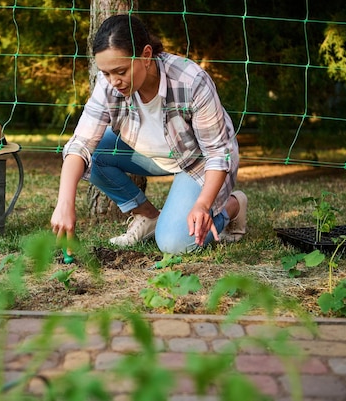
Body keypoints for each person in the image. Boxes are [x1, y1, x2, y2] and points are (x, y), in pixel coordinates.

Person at [50, 14, 247, 255]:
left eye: (120, 71)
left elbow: (217, 154)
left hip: (200, 162)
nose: (113, 81)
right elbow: (80, 143)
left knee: (175, 244)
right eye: (106, 73)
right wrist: (64, 203)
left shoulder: (191, 80)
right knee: (96, 153)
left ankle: (231, 206)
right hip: (153, 154)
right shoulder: (109, 85)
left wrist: (203, 205)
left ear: (145, 56)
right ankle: (149, 216)